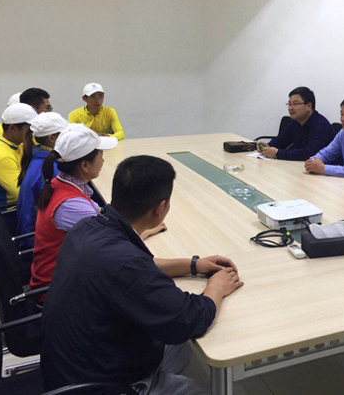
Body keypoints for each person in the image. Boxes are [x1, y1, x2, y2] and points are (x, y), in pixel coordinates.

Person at [40, 155, 243, 394]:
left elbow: (140, 267)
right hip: (101, 386)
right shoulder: (126, 264)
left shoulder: (89, 227)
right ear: (160, 209)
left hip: (73, 367)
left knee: (183, 347)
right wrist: (216, 288)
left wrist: (193, 265)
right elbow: (189, 319)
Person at [30, 124, 118, 295]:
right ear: (85, 165)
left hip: (65, 277)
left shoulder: (61, 183)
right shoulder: (72, 205)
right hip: (58, 294)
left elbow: (101, 214)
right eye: (101, 155)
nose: (103, 161)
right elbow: (115, 248)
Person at [16, 112, 69, 244]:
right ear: (52, 138)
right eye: (66, 134)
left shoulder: (38, 157)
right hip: (37, 241)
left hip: (30, 234)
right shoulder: (53, 169)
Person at [0, 103, 37, 208]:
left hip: (16, 205)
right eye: (29, 130)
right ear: (12, 128)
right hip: (8, 211)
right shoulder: (2, 157)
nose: (33, 133)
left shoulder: (17, 145)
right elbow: (24, 194)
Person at [257, 86, 334, 160]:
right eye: (289, 104)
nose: (290, 108)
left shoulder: (321, 125)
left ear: (309, 106)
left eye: (295, 104)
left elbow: (310, 153)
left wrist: (278, 153)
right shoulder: (296, 122)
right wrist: (268, 146)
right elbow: (281, 140)